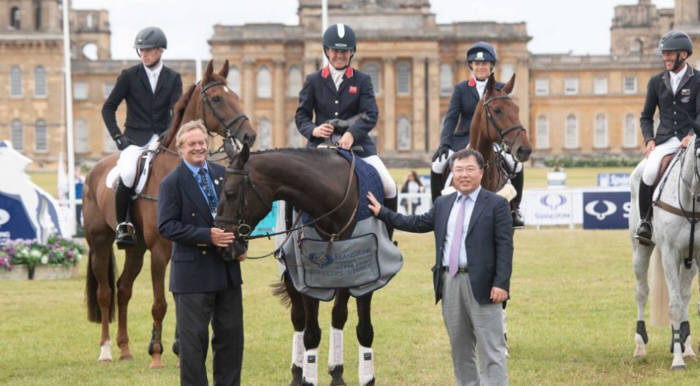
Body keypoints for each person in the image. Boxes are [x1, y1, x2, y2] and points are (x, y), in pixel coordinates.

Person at [368, 149, 512, 385]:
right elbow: (416, 223)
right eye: (459, 170)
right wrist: (382, 212)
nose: (464, 175)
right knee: (460, 350)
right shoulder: (443, 203)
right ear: (452, 174)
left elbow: (505, 248)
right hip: (450, 282)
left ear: (481, 172)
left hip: (484, 286)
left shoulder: (496, 204)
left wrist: (501, 284)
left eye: (469, 169)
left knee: (491, 350)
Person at [157, 120, 245, 386]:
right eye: (192, 144)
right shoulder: (172, 183)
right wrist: (207, 236)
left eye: (202, 143)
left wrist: (240, 246)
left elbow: (238, 216)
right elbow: (166, 226)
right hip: (192, 276)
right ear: (181, 147)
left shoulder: (223, 173)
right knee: (194, 347)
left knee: (231, 341)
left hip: (227, 272)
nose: (199, 148)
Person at [295, 23, 397, 213]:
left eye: (344, 51)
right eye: (334, 51)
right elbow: (301, 115)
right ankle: (292, 238)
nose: (339, 55)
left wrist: (352, 134)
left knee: (390, 186)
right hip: (320, 145)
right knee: (294, 186)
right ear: (327, 51)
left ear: (352, 53)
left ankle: (388, 237)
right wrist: (313, 130)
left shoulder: (362, 80)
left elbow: (371, 114)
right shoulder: (313, 80)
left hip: (358, 146)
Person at [103, 26, 183, 248]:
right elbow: (108, 108)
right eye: (141, 51)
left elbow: (177, 113)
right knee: (128, 173)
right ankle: (123, 225)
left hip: (163, 140)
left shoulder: (173, 78)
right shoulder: (129, 76)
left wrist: (171, 135)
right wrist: (118, 137)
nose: (144, 54)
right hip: (135, 140)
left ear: (160, 51)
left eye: (148, 50)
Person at [431, 41, 525, 228]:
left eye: (485, 63)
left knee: (517, 164)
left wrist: (508, 141)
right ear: (471, 66)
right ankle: (436, 210)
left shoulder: (501, 88)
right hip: (464, 140)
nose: (481, 67)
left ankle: (516, 209)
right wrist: (445, 143)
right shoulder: (461, 89)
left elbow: (508, 117)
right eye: (477, 63)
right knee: (437, 164)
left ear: (491, 66)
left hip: (494, 141)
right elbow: (451, 118)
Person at [636, 30, 700, 245]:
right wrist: (649, 140)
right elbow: (646, 116)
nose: (665, 58)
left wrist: (691, 135)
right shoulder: (656, 82)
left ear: (683, 54)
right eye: (664, 54)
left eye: (670, 54)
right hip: (664, 141)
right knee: (648, 172)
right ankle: (646, 223)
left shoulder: (698, 80)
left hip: (691, 140)